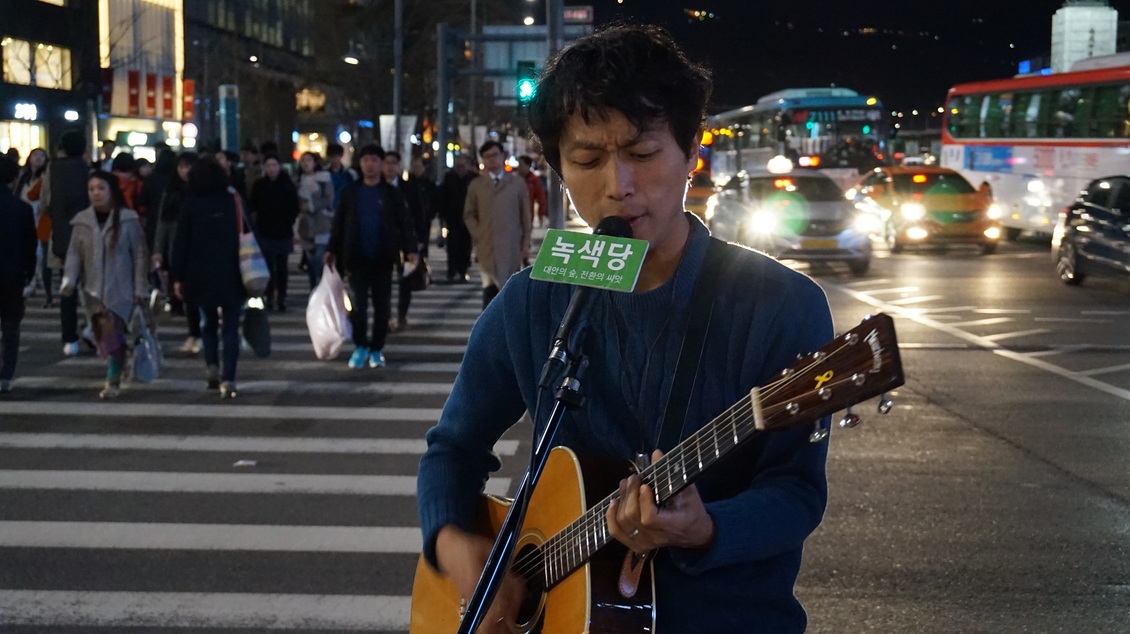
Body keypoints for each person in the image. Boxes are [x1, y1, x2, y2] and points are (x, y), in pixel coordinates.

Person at [416, 24, 834, 633]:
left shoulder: (777, 303)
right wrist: (454, 541)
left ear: (691, 152)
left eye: (642, 153)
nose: (619, 186)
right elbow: (454, 448)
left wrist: (707, 527)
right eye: (587, 158)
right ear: (558, 165)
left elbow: (797, 489)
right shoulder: (533, 300)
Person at [324, 144, 418, 370]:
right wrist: (332, 249)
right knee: (358, 307)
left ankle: (377, 348)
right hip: (355, 259)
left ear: (381, 163)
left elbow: (405, 224)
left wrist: (411, 249)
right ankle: (360, 346)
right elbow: (339, 224)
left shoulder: (391, 193)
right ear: (360, 163)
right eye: (365, 160)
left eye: (374, 160)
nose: (370, 164)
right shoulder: (350, 192)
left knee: (382, 308)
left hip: (383, 259)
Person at [60, 171, 149, 400]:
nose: (96, 194)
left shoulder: (128, 219)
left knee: (111, 332)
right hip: (92, 289)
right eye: (91, 189)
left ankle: (112, 381)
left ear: (111, 191)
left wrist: (140, 287)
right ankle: (122, 358)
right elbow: (73, 254)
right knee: (103, 336)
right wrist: (69, 279)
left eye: (101, 188)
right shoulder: (82, 221)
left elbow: (139, 255)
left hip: (122, 288)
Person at [170, 157, 247, 399]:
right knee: (232, 327)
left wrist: (178, 277)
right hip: (232, 272)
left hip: (199, 274)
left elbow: (180, 244)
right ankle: (230, 378)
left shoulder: (190, 205)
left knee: (208, 324)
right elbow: (248, 232)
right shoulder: (233, 201)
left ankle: (212, 367)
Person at [39, 131, 91, 356]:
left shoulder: (53, 169)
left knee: (67, 290)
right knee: (93, 289)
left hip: (61, 237)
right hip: (90, 238)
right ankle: (92, 329)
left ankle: (70, 339)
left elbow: (44, 202)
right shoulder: (90, 170)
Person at [463, 141, 531, 309]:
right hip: (486, 246)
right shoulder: (477, 185)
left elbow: (525, 217)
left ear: (502, 156)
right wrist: (478, 233)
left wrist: (525, 242)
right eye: (487, 156)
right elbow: (469, 214)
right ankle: (489, 332)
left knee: (510, 294)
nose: (492, 159)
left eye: (495, 155)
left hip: (511, 247)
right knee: (489, 294)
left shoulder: (517, 183)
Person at [152, 151, 201, 353]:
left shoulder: (202, 190)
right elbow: (162, 223)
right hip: (176, 247)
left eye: (189, 167)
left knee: (197, 292)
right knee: (185, 291)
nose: (185, 171)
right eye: (181, 167)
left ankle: (199, 329)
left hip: (199, 247)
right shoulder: (170, 191)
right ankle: (194, 331)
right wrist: (157, 250)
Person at [0, 157, 37, 393]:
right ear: (14, 179)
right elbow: (29, 246)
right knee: (11, 328)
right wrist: (28, 273)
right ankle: (5, 376)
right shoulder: (21, 209)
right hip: (12, 277)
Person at [392, 153, 436, 331]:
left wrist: (420, 241)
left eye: (393, 163)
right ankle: (384, 317)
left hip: (407, 244)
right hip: (383, 245)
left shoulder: (408, 187)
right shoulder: (375, 187)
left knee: (405, 281)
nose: (389, 167)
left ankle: (401, 316)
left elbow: (419, 216)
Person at [250, 154, 300, 312]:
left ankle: (282, 296)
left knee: (282, 266)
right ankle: (269, 295)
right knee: (268, 266)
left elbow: (294, 206)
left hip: (283, 230)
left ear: (279, 167)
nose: (271, 169)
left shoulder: (287, 185)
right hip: (264, 230)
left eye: (274, 165)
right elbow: (253, 205)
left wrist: (289, 222)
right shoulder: (259, 185)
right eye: (268, 166)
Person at [14, 147, 49, 303]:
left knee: (39, 252)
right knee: (29, 250)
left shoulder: (46, 177)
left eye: (42, 155)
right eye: (35, 155)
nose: (38, 158)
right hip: (25, 217)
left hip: (40, 217)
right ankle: (34, 279)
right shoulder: (23, 177)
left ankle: (35, 280)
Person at [436, 153, 477, 283]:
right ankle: (451, 271)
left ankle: (463, 270)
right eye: (458, 165)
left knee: (466, 246)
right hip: (452, 217)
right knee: (452, 246)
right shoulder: (449, 177)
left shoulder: (474, 179)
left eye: (462, 165)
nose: (460, 168)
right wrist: (442, 216)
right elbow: (442, 197)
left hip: (469, 218)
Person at [296, 151, 334, 289]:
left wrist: (312, 206)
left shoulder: (324, 179)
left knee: (320, 258)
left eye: (308, 160)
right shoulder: (299, 180)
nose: (305, 163)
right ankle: (315, 289)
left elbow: (328, 199)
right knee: (311, 261)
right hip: (306, 225)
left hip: (322, 223)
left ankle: (323, 287)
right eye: (303, 161)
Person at [516, 154, 548, 228]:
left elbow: (541, 199)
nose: (519, 168)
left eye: (521, 165)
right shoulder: (513, 180)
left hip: (528, 216)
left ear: (528, 165)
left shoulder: (534, 181)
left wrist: (541, 214)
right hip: (512, 215)